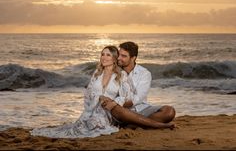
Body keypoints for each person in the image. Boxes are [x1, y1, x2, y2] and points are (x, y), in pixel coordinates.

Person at [30, 46, 172, 139]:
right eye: (102, 54)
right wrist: (99, 98)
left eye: (108, 55)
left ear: (115, 58)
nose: (104, 57)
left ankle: (159, 126)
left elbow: (126, 96)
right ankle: (137, 124)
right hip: (94, 109)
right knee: (87, 126)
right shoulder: (96, 74)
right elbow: (88, 96)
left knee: (102, 121)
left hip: (111, 111)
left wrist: (113, 102)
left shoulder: (121, 75)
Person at [100, 42, 176, 128]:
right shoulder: (113, 70)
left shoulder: (144, 73)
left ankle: (133, 124)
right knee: (114, 108)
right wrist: (114, 103)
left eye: (124, 56)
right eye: (119, 55)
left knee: (169, 111)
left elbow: (138, 98)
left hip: (141, 109)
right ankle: (156, 125)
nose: (119, 58)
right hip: (120, 111)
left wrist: (116, 102)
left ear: (133, 58)